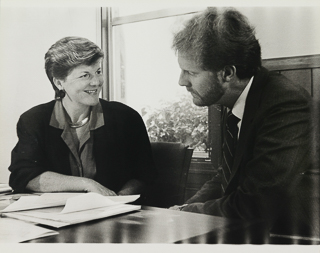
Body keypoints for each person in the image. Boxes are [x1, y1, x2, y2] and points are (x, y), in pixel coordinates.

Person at [169, 7, 313, 234]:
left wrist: (187, 213)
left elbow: (256, 203)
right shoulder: (238, 101)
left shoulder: (285, 103)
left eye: (191, 72)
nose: (181, 81)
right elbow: (226, 176)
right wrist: (180, 210)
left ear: (227, 73)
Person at [8, 36, 156, 197]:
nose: (96, 82)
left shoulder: (126, 118)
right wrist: (86, 184)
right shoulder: (34, 120)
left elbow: (144, 176)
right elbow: (22, 176)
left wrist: (117, 200)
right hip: (58, 217)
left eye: (98, 72)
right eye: (85, 75)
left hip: (115, 216)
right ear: (59, 83)